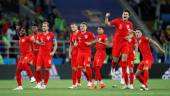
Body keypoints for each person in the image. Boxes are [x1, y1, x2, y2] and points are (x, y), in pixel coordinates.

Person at [105, 9, 134, 89]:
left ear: (128, 16)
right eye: (124, 14)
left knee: (124, 60)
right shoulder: (118, 21)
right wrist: (106, 17)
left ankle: (124, 79)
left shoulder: (130, 24)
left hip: (125, 43)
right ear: (122, 15)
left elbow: (131, 34)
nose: (125, 15)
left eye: (126, 14)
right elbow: (107, 24)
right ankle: (112, 69)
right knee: (115, 60)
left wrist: (129, 37)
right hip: (117, 43)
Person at [36, 21, 58, 89]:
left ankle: (44, 84)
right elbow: (36, 41)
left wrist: (53, 52)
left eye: (45, 26)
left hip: (48, 55)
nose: (43, 27)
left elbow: (55, 44)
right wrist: (39, 43)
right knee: (38, 69)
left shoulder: (51, 35)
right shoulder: (39, 34)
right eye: (43, 26)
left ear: (48, 27)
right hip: (40, 54)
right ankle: (39, 82)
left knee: (46, 69)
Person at [76, 22, 95, 87]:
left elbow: (96, 40)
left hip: (87, 52)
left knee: (87, 66)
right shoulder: (78, 34)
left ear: (86, 27)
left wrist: (90, 43)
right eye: (81, 26)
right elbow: (76, 41)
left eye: (83, 26)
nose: (82, 27)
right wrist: (76, 43)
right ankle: (78, 82)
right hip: (80, 53)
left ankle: (90, 81)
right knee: (79, 67)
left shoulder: (90, 34)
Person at [68, 23, 79, 89]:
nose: (73, 28)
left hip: (80, 53)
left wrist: (78, 43)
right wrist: (69, 53)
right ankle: (74, 84)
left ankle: (89, 81)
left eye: (74, 27)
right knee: (74, 69)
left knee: (83, 69)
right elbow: (71, 45)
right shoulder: (71, 35)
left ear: (76, 27)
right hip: (74, 54)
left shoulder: (80, 33)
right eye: (71, 27)